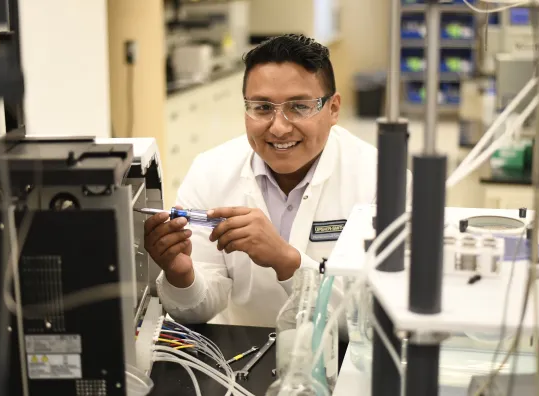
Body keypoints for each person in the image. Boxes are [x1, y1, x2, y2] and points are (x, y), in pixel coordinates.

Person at [144, 34, 412, 330]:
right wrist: (181, 275)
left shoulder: (380, 180)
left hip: (342, 361)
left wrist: (286, 260)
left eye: (299, 107)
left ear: (333, 108)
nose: (279, 127)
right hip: (241, 357)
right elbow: (198, 310)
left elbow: (379, 315)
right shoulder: (210, 171)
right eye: (262, 108)